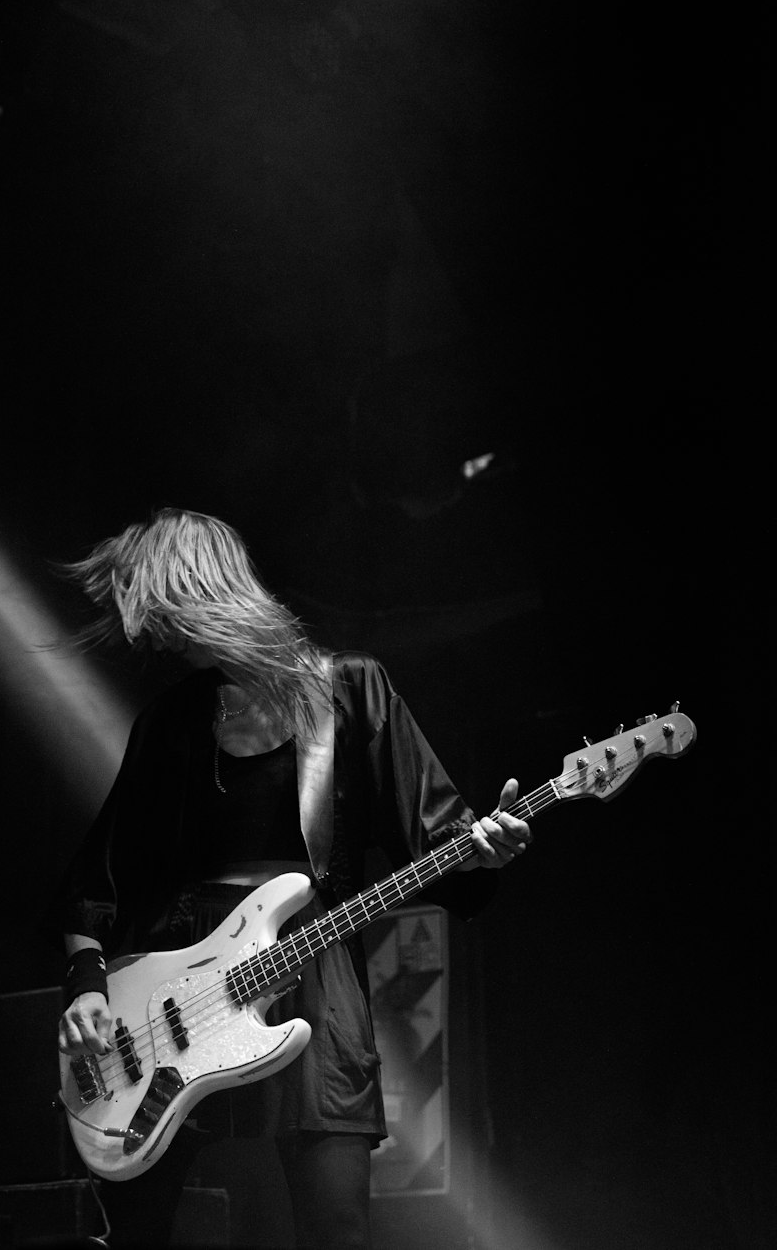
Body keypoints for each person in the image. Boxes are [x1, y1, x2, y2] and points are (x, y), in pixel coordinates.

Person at [49, 508, 532, 1250]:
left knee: (337, 1226)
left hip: (316, 971)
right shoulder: (171, 722)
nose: (155, 641)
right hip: (176, 997)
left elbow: (442, 840)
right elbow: (95, 876)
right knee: (140, 1229)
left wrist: (486, 848)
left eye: (161, 616)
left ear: (195, 593)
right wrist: (87, 983)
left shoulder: (352, 691)